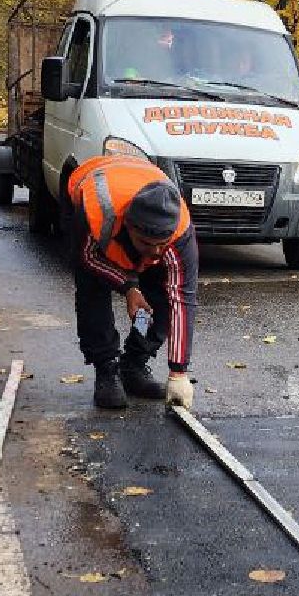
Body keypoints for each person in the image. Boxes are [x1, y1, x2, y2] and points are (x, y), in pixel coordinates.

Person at [63, 155, 198, 410]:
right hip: (92, 186)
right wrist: (128, 287)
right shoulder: (97, 214)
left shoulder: (181, 234)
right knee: (92, 292)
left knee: (159, 301)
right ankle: (106, 369)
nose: (155, 252)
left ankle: (134, 363)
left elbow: (182, 300)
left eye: (162, 245)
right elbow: (88, 258)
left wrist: (178, 372)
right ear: (129, 227)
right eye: (147, 243)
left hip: (138, 178)